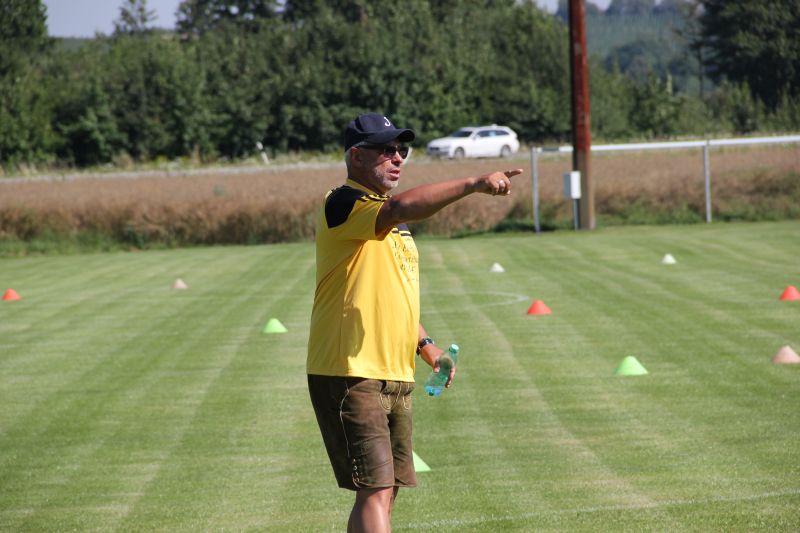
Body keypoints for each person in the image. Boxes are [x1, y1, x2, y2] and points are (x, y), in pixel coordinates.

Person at [307, 112, 522, 532]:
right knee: (375, 488)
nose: (398, 157)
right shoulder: (343, 203)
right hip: (350, 370)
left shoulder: (393, 222)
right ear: (356, 155)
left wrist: (427, 347)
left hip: (393, 370)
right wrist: (473, 183)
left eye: (401, 149)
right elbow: (400, 206)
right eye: (385, 150)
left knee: (384, 492)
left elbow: (393, 294)